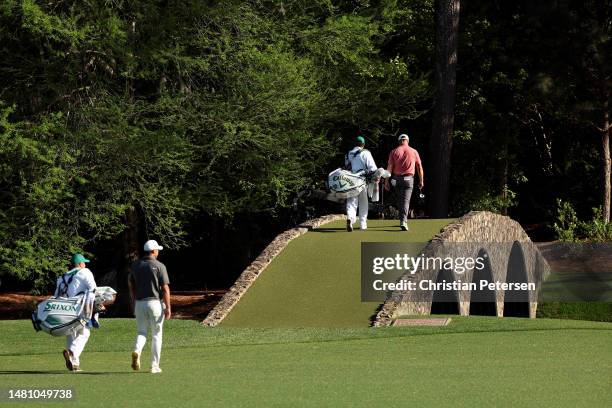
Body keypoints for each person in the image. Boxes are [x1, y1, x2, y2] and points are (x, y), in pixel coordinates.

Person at [128, 240, 171, 374]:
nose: (158, 252)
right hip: (155, 304)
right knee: (157, 335)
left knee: (142, 332)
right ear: (153, 251)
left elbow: (130, 283)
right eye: (157, 250)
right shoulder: (159, 266)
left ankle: (137, 351)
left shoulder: (135, 265)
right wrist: (168, 307)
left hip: (139, 303)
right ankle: (154, 366)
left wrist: (133, 300)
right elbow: (165, 288)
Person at [55, 253, 97, 372]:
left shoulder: (62, 277)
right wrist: (94, 305)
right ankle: (71, 352)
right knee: (84, 333)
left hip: (63, 309)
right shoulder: (85, 272)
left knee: (70, 334)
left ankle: (74, 364)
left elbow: (56, 295)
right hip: (79, 308)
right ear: (80, 264)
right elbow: (93, 289)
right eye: (84, 262)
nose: (85, 264)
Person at [384, 133, 425, 231]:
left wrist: (386, 181)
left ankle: (402, 217)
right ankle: (403, 221)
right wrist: (421, 180)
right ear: (407, 140)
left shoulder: (394, 151)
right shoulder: (414, 151)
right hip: (408, 179)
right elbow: (419, 167)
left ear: (399, 141)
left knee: (400, 201)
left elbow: (389, 168)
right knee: (405, 201)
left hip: (396, 179)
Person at [345, 135, 378, 231]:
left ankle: (350, 219)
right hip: (362, 180)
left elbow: (347, 167)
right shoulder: (365, 153)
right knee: (363, 202)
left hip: (350, 181)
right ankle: (363, 224)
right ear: (363, 144)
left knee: (351, 202)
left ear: (355, 144)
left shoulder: (348, 154)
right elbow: (373, 168)